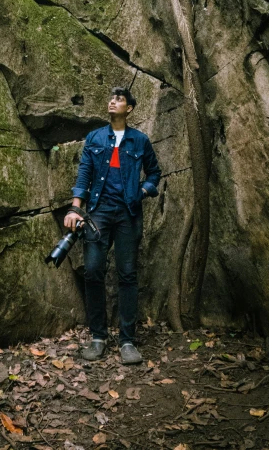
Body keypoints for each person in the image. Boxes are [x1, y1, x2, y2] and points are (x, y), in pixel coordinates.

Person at [64, 87, 161, 364]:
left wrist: (144, 191)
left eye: (119, 99)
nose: (112, 101)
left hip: (129, 213)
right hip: (99, 213)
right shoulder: (95, 137)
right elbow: (84, 174)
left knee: (127, 274)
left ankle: (127, 341)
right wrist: (75, 208)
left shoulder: (140, 141)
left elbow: (154, 172)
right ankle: (98, 338)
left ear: (129, 108)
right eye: (111, 98)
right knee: (93, 270)